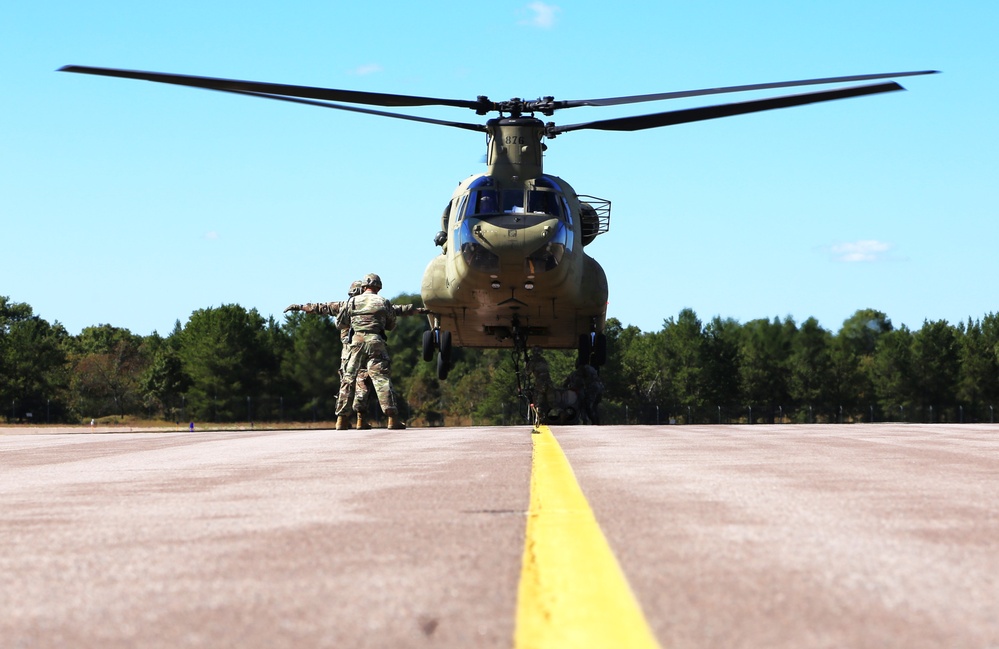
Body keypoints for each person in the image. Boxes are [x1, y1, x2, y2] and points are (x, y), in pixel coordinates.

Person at [286, 281, 424, 430]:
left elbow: (323, 309)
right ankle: (385, 418)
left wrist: (300, 307)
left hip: (353, 349)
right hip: (372, 345)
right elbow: (395, 312)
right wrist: (420, 310)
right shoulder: (379, 303)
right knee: (377, 381)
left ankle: (343, 419)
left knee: (349, 382)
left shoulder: (347, 304)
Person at [335, 273, 406, 430]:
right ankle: (392, 419)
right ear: (378, 287)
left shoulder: (352, 301)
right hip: (376, 342)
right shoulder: (383, 302)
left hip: (356, 343)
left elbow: (340, 323)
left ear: (364, 286)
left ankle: (342, 420)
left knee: (348, 379)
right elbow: (391, 325)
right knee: (381, 379)